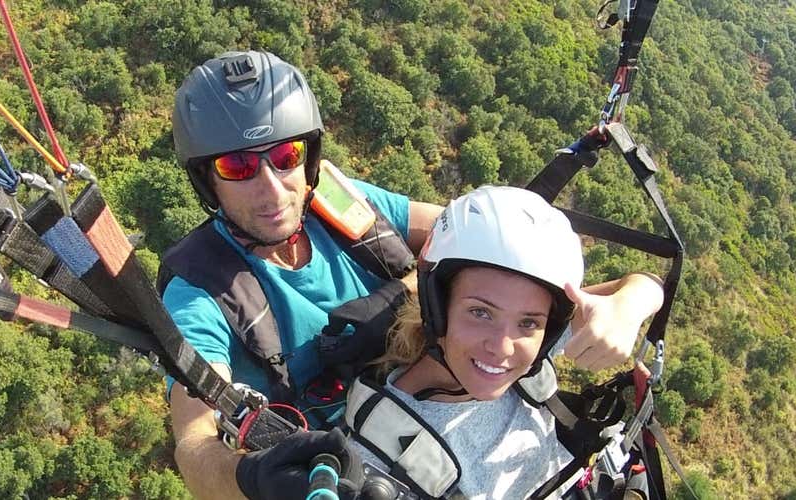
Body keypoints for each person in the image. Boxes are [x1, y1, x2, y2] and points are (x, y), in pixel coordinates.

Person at [161, 50, 665, 500]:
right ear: (207, 180)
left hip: (433, 379)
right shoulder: (203, 290)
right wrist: (251, 478)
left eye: (285, 157)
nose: (271, 189)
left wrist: (632, 299)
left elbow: (486, 241)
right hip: (361, 461)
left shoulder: (342, 205)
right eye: (238, 167)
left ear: (309, 156)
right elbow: (195, 445)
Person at [344, 185, 664, 499]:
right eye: (481, 313)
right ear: (438, 306)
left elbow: (650, 284)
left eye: (528, 322)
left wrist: (626, 308)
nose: (503, 348)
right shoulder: (381, 459)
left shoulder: (528, 354)